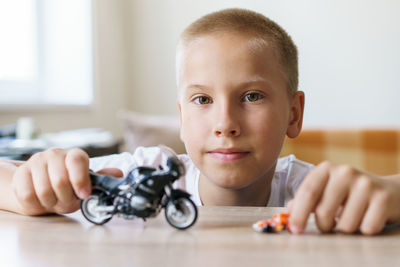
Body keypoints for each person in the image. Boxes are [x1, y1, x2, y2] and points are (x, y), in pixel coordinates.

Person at [1, 8, 399, 235]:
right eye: (203, 99)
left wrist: (390, 193)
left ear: (293, 114)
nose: (225, 123)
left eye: (252, 96)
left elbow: (379, 199)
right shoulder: (147, 168)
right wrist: (28, 187)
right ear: (181, 116)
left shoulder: (309, 192)